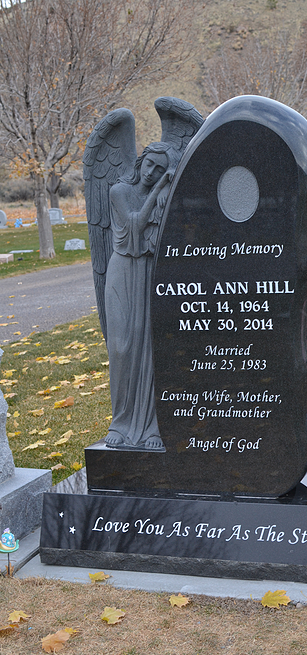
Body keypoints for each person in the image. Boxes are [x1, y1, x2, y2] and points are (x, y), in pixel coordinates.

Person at [104, 142, 179, 450]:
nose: (151, 172)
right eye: (149, 164)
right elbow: (135, 224)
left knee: (150, 345)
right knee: (121, 347)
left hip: (150, 270)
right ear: (141, 161)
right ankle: (120, 423)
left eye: (160, 169)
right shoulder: (119, 191)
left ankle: (153, 426)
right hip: (123, 270)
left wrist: (168, 189)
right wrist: (162, 185)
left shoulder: (163, 194)